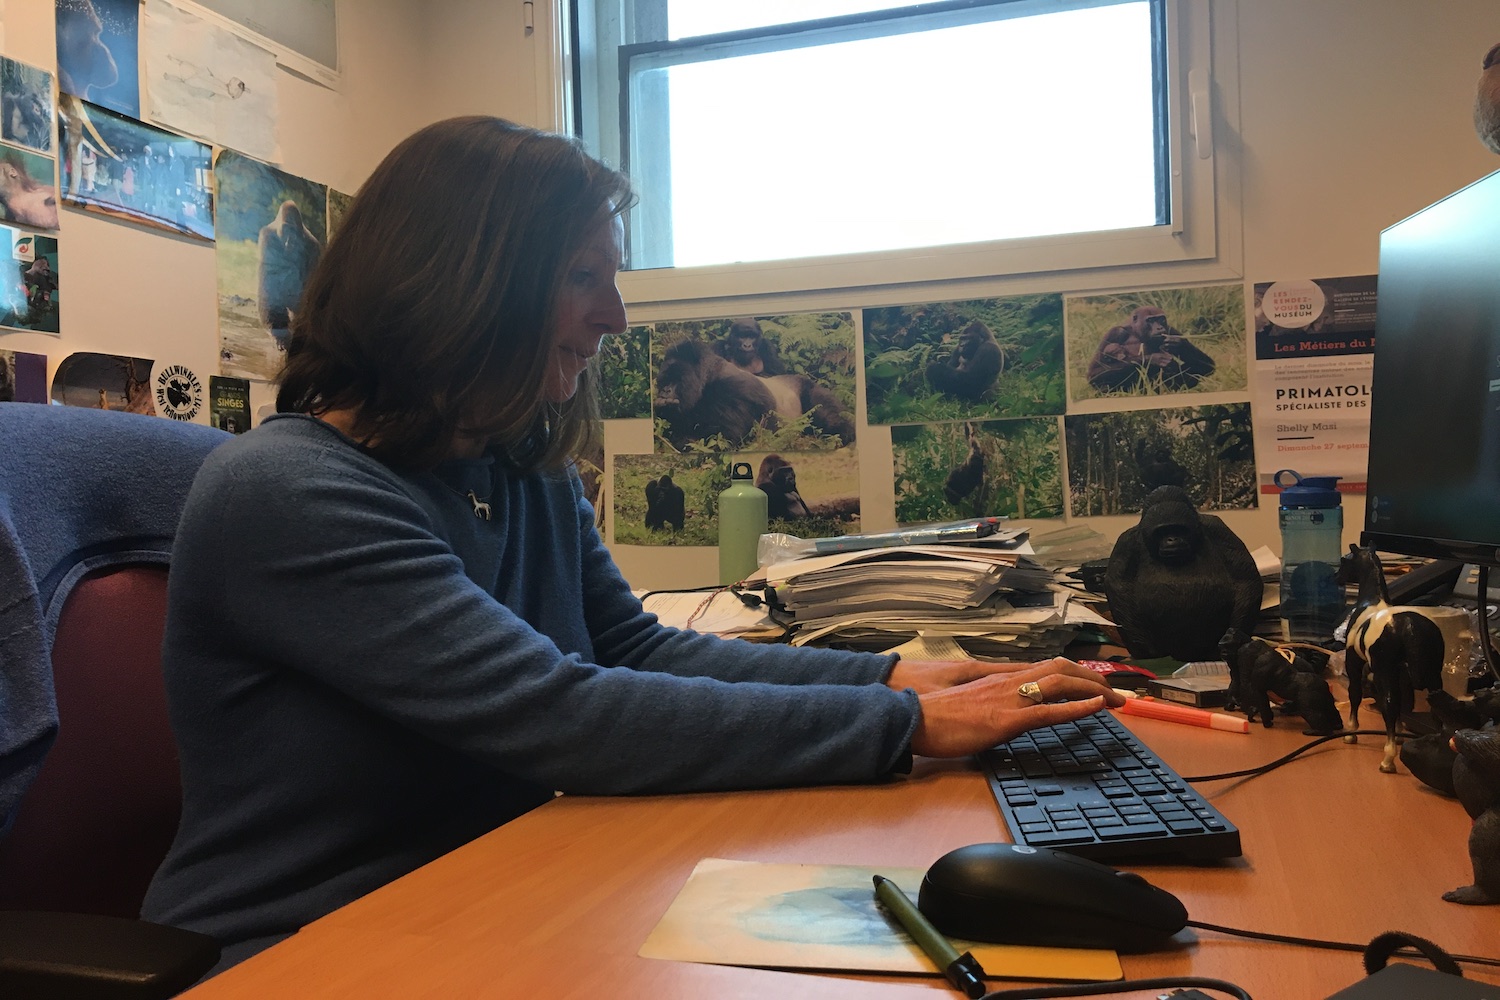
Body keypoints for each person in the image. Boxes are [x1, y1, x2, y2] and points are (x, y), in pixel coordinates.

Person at [140, 116, 1124, 975]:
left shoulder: (515, 461)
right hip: (298, 947)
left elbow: (636, 647)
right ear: (465, 287)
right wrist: (902, 728)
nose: (613, 318)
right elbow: (563, 713)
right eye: (582, 278)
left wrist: (894, 685)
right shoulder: (291, 492)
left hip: (493, 895)